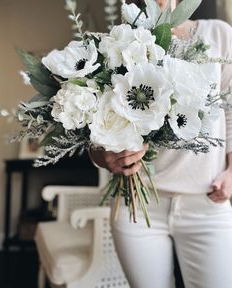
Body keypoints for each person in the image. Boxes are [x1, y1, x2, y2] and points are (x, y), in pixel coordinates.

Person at [90, 1, 232, 287]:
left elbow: (230, 112)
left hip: (207, 203)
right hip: (138, 208)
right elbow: (95, 127)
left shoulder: (219, 35)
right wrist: (104, 157)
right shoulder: (119, 43)